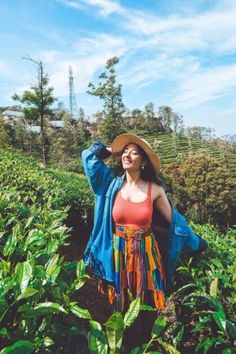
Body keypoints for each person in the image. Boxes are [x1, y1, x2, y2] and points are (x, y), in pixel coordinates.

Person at [82, 133, 207, 313]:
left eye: (134, 153)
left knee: (147, 303)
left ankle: (149, 336)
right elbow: (88, 157)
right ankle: (125, 337)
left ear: (144, 162)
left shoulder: (155, 190)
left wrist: (196, 242)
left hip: (146, 252)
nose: (127, 155)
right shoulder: (110, 184)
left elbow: (175, 222)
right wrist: (114, 150)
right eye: (125, 152)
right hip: (118, 251)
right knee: (121, 303)